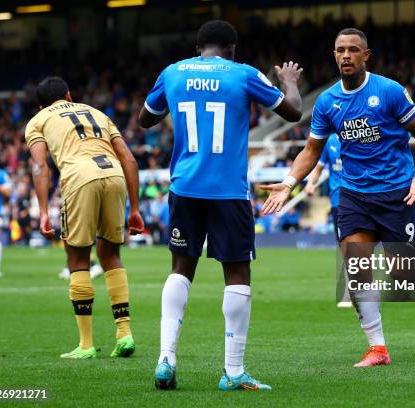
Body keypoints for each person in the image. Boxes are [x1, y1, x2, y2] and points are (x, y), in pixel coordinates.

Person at [261, 27, 415, 368]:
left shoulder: (390, 91)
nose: (346, 55)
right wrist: (289, 181)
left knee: (402, 275)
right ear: (334, 55)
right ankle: (377, 348)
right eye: (340, 50)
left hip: (396, 193)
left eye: (353, 49)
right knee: (356, 267)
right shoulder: (326, 102)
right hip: (353, 195)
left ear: (366, 55)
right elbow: (311, 150)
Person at [138, 20, 302, 391]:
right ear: (232, 48)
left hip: (185, 186)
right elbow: (293, 111)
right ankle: (233, 371)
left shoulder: (174, 72)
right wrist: (289, 80)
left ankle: (166, 358)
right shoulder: (243, 74)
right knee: (238, 274)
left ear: (199, 48)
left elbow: (145, 119)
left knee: (180, 268)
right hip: (228, 191)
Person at [25, 76, 144, 359]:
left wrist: (43, 211)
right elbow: (129, 159)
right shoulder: (97, 112)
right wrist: (136, 208)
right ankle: (124, 334)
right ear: (69, 94)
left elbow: (40, 166)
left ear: (41, 104)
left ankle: (86, 344)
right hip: (113, 174)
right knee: (111, 254)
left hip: (79, 178)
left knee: (78, 258)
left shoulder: (38, 121)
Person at [303, 133, 351, 307]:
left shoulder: (358, 135)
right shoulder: (330, 141)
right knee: (346, 248)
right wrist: (310, 184)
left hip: (360, 197)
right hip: (338, 200)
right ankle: (351, 290)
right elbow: (319, 167)